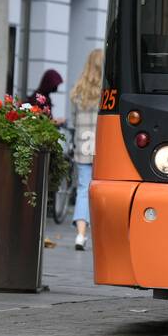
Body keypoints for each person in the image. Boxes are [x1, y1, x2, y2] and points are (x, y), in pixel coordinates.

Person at [68, 50, 102, 251]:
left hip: (82, 146)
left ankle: (80, 235)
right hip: (103, 147)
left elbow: (73, 121)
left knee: (83, 189)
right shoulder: (106, 93)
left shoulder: (78, 92)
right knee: (102, 190)